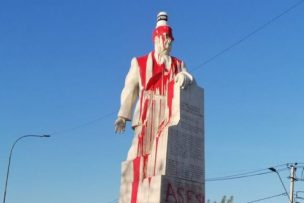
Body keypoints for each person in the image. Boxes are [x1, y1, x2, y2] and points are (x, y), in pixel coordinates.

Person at [115, 12, 193, 162]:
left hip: (168, 112)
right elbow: (129, 89)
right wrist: (123, 116)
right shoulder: (140, 62)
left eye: (170, 40)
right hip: (147, 110)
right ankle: (134, 180)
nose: (168, 43)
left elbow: (190, 77)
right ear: (156, 39)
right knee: (140, 151)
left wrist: (184, 76)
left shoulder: (178, 64)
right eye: (165, 38)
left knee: (165, 156)